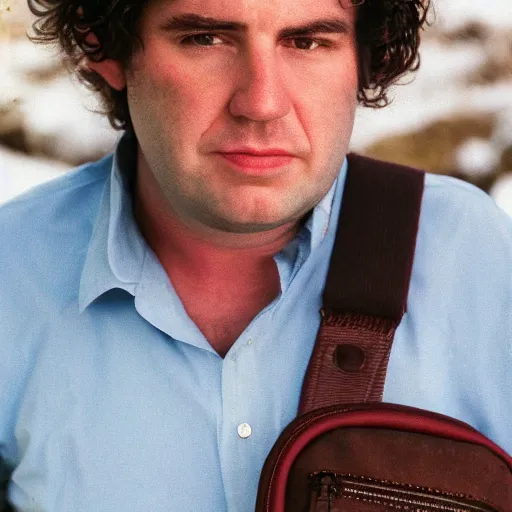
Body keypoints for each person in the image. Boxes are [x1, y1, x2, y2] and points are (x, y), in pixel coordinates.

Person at [1, 0, 511, 510]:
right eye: (206, 39)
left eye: (307, 42)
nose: (261, 103)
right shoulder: (13, 267)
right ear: (104, 48)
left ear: (362, 57)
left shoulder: (472, 257)